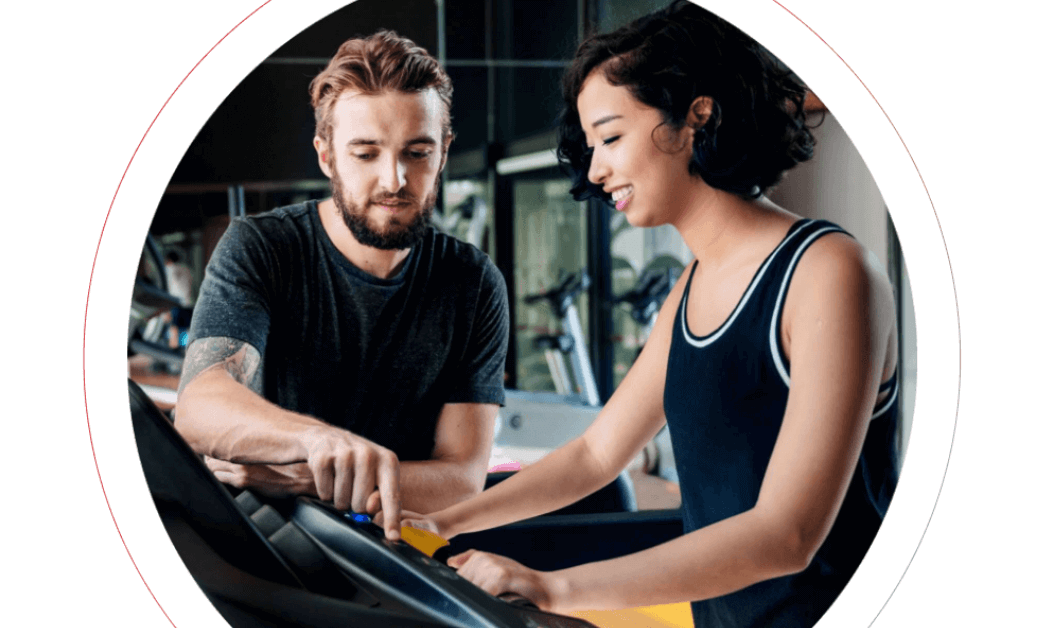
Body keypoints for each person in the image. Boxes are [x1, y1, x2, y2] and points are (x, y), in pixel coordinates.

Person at [394, 3, 900, 626]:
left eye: (610, 137)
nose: (597, 168)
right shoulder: (690, 288)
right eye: (590, 145)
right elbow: (595, 457)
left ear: (696, 117)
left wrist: (551, 588)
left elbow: (786, 533)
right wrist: (440, 523)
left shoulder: (828, 272)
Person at [173, 30, 510, 541]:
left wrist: (304, 477)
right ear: (327, 156)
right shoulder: (261, 247)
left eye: (416, 153)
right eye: (366, 153)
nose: (394, 179)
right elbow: (200, 406)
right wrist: (318, 440)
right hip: (267, 543)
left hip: (399, 554)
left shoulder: (473, 283)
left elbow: (462, 480)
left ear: (443, 154)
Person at [163, 250, 194, 349]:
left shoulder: (169, 268)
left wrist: (166, 310)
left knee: (174, 330)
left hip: (176, 303)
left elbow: (166, 288)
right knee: (188, 331)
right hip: (189, 303)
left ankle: (172, 356)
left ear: (168, 260)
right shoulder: (186, 269)